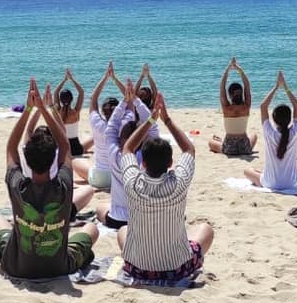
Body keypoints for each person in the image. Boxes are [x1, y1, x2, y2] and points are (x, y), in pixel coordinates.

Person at [0, 80, 99, 279]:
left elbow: (11, 147)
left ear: (27, 159)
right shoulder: (63, 185)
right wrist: (45, 107)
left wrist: (29, 109)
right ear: (53, 159)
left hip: (17, 266)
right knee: (92, 228)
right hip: (59, 267)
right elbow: (65, 145)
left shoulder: (18, 186)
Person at [117, 89, 214, 283]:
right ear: (170, 163)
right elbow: (189, 149)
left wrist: (151, 120)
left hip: (138, 269)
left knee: (122, 231)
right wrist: (166, 120)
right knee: (206, 229)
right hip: (176, 269)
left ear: (143, 163)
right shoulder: (179, 183)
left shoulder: (132, 183)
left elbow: (127, 148)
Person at [95, 76, 160, 229]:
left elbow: (112, 126)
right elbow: (153, 129)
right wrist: (136, 101)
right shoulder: (148, 156)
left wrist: (125, 101)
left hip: (118, 219)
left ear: (121, 138)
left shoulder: (114, 153)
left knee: (99, 208)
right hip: (142, 218)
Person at [243, 70, 297, 190]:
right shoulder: (295, 131)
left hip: (271, 183)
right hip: (293, 184)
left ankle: (263, 174)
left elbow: (263, 106)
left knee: (247, 170)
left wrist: (276, 87)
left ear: (274, 119)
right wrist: (285, 87)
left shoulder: (269, 132)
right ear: (289, 119)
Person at [72, 62, 119, 188]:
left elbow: (93, 98)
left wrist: (105, 78)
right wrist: (114, 79)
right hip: (119, 177)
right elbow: (131, 100)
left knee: (75, 161)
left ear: (103, 111)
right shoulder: (125, 125)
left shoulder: (97, 123)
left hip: (100, 178)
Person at [208, 57, 258, 156]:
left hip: (229, 148)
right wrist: (239, 69)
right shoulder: (246, 107)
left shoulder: (226, 108)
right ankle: (221, 141)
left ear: (230, 95)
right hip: (245, 148)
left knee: (210, 142)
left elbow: (222, 87)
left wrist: (228, 68)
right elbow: (247, 85)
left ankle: (220, 141)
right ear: (242, 94)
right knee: (254, 136)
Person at [53, 68, 89, 157]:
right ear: (72, 99)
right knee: (92, 139)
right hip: (76, 149)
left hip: (62, 149)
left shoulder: (57, 111)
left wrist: (64, 80)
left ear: (60, 100)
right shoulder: (76, 112)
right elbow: (81, 92)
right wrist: (72, 79)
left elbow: (55, 92)